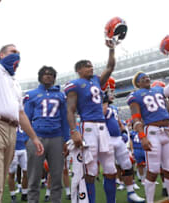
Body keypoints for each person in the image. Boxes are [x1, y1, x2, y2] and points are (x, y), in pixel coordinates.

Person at [0, 1, 44, 202]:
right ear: (1, 54)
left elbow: (21, 113)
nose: (17, 55)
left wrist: (34, 137)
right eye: (13, 51)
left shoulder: (15, 84)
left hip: (11, 130)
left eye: (18, 52)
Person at [127, 42, 169, 202]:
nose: (146, 78)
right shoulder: (135, 95)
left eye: (147, 76)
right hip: (152, 133)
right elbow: (136, 118)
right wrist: (142, 136)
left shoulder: (159, 90)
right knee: (152, 170)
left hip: (168, 131)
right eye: (142, 77)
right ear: (137, 83)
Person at [65, 40, 117, 203]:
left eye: (91, 65)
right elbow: (70, 110)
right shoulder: (75, 85)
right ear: (79, 70)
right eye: (87, 66)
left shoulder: (96, 80)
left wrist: (111, 49)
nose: (91, 68)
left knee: (110, 169)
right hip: (88, 127)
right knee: (90, 171)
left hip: (103, 127)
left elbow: (110, 67)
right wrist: (74, 131)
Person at [24, 65, 69, 203]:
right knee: (34, 177)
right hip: (37, 138)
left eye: (51, 74)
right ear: (40, 77)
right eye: (45, 73)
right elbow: (26, 118)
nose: (48, 76)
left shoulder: (61, 95)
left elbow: (65, 119)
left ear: (54, 78)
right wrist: (27, 139)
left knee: (56, 177)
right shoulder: (31, 95)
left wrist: (66, 140)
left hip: (56, 138)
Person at [102, 77, 145, 203]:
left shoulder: (114, 108)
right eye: (110, 92)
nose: (112, 94)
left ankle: (131, 192)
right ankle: (111, 200)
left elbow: (119, 123)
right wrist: (103, 98)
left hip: (118, 139)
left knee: (127, 165)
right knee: (110, 170)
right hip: (106, 139)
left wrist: (124, 132)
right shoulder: (99, 106)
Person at [8, 126, 28, 203]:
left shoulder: (23, 117)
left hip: (23, 149)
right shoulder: (9, 118)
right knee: (11, 173)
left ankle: (24, 194)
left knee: (26, 172)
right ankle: (13, 195)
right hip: (13, 149)